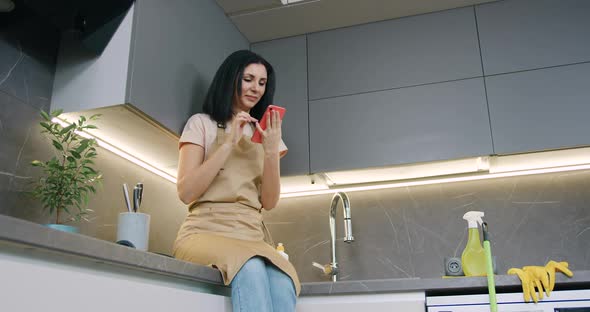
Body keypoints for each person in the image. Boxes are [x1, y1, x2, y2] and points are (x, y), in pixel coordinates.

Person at [173, 50, 299, 312]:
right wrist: (229, 142)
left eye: (262, 83)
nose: (256, 89)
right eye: (248, 79)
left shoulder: (266, 135)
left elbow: (270, 201)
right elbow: (186, 192)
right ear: (231, 78)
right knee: (250, 265)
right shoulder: (201, 124)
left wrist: (271, 150)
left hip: (252, 235)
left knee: (284, 279)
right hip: (203, 232)